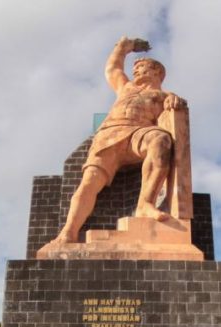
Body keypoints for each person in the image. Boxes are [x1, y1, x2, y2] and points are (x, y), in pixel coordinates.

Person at [48, 36, 187, 246]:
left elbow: (174, 111)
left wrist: (175, 100)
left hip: (138, 134)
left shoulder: (164, 95)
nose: (136, 71)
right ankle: (67, 233)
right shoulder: (126, 87)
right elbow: (112, 69)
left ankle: (145, 204)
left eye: (142, 67)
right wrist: (123, 47)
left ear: (157, 72)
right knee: (89, 182)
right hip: (109, 136)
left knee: (160, 139)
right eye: (135, 68)